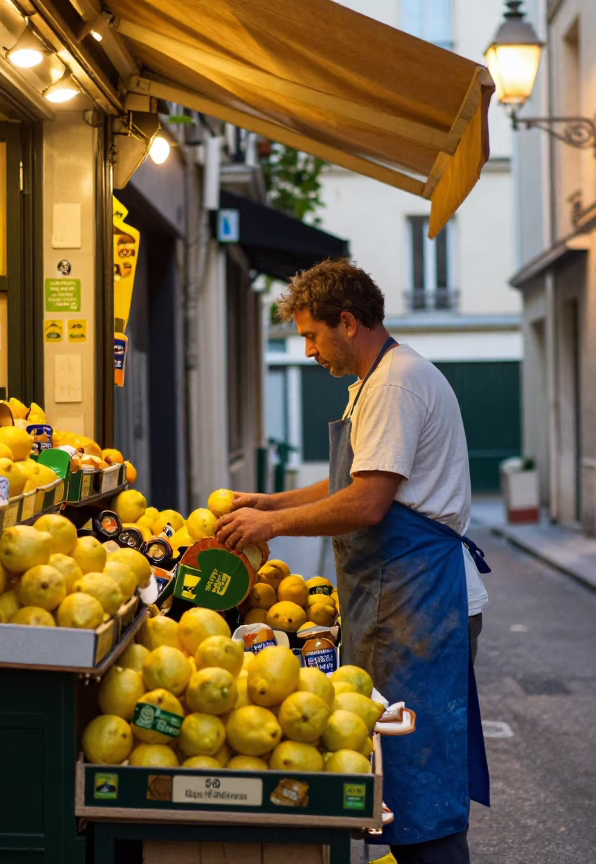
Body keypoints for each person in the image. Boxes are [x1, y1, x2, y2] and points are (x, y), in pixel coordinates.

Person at [217, 259, 491, 864]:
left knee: (420, 774)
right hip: (397, 599)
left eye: (313, 335)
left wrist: (271, 524)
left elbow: (367, 503)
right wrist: (272, 501)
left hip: (422, 602)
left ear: (347, 322)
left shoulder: (396, 383)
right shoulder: (371, 383)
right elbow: (351, 481)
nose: (309, 350)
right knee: (390, 769)